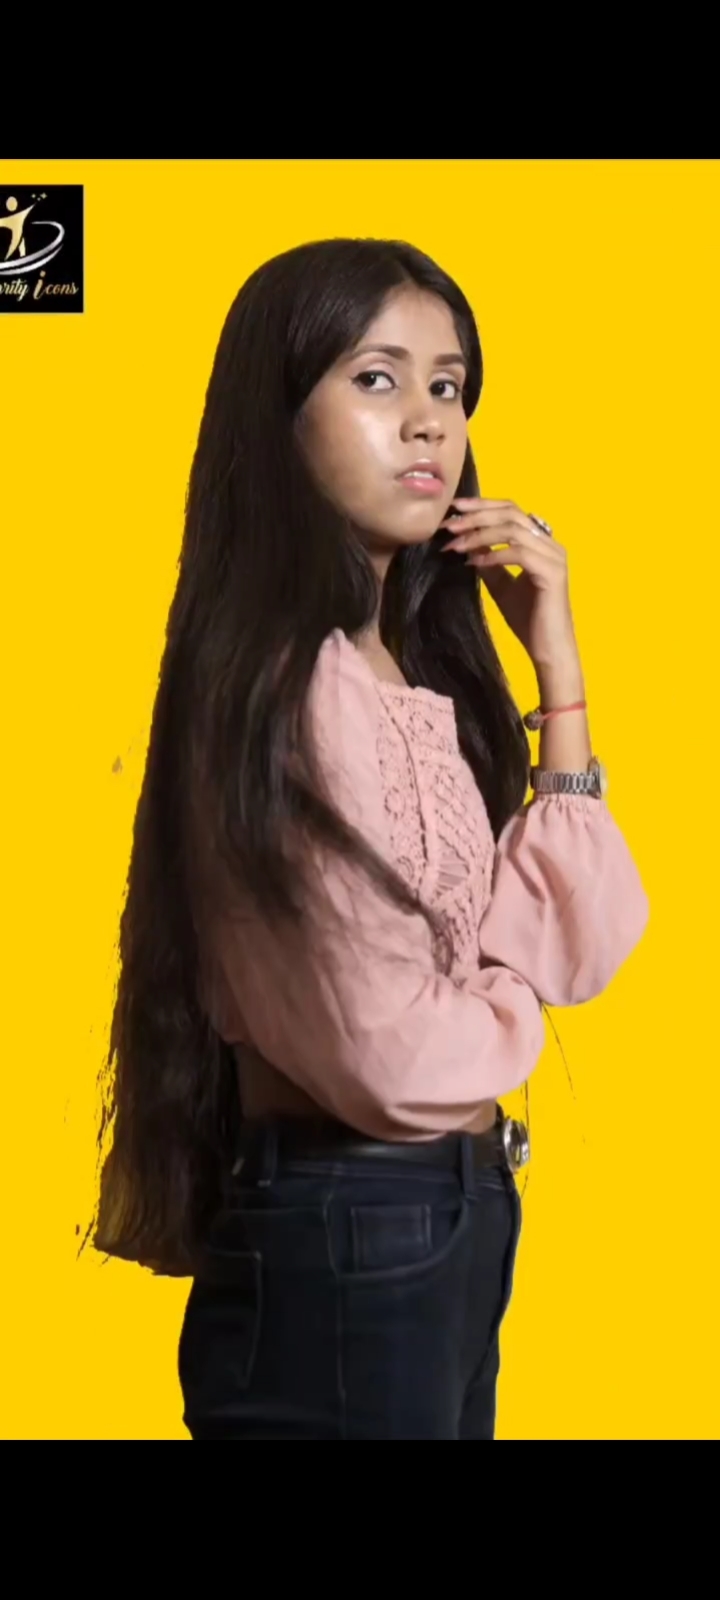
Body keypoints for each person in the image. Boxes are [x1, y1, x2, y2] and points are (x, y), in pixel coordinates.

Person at [93, 238, 648, 1440]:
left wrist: (557, 671)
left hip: (436, 1222)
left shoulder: (400, 674)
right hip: (355, 1224)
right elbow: (391, 1057)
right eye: (377, 378)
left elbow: (587, 941)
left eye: (449, 385)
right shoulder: (285, 690)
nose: (429, 421)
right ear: (278, 414)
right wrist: (506, 1000)